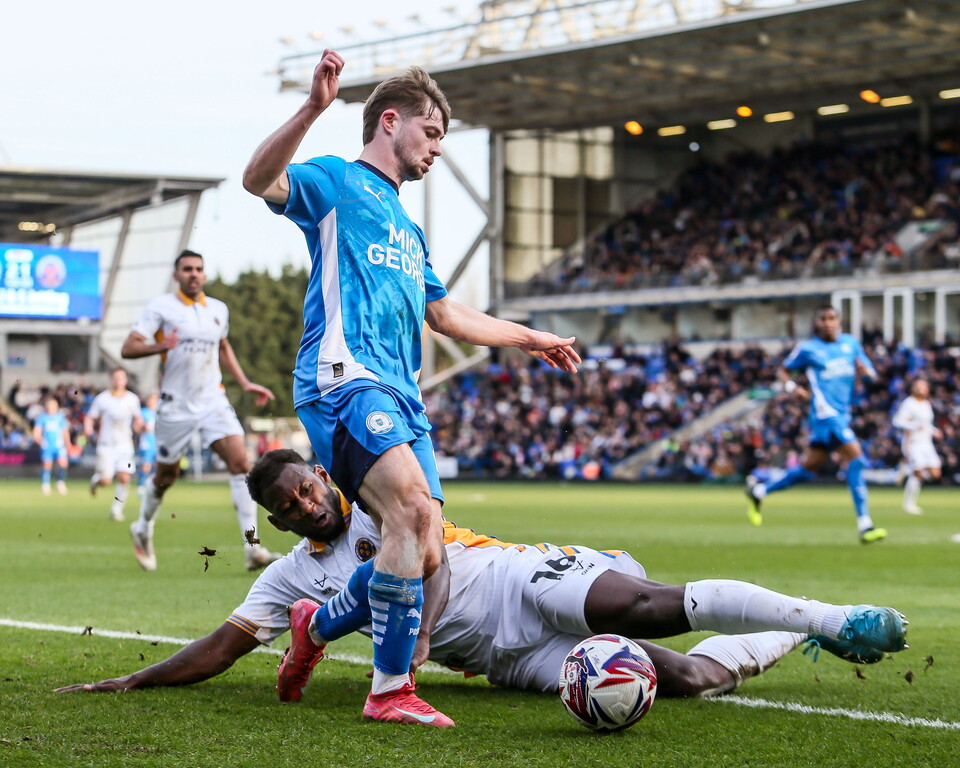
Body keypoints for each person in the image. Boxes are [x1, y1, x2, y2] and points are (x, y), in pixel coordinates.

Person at [242, 51, 580, 725]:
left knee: (427, 550)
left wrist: (530, 337)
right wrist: (313, 108)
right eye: (430, 135)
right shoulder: (337, 182)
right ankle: (389, 691)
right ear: (389, 121)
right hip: (344, 378)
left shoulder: (408, 226)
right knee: (411, 517)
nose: (434, 151)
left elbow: (447, 316)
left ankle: (318, 625)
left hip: (402, 396)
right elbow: (259, 180)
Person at [55, 449, 909, 715]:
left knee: (652, 606)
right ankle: (790, 635)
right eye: (290, 503)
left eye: (310, 484)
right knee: (690, 679)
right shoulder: (287, 577)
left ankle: (835, 616)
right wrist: (136, 676)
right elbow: (222, 645)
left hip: (512, 581)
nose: (309, 500)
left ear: (324, 476)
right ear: (277, 521)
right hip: (505, 663)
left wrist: (418, 638)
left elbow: (425, 549)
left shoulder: (379, 496)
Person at [120, 249, 281, 572]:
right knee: (166, 476)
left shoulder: (218, 309)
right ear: (176, 275)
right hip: (175, 405)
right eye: (187, 269)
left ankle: (252, 548)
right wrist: (160, 346)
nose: (194, 274)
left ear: (204, 275)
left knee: (242, 466)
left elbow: (222, 346)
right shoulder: (161, 308)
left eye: (198, 269)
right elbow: (129, 347)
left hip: (213, 401)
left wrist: (245, 382)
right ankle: (142, 527)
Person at [746, 306, 886, 543]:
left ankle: (759, 491)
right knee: (855, 457)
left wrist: (867, 372)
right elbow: (783, 371)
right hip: (825, 414)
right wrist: (793, 388)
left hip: (843, 413)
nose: (828, 323)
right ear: (817, 323)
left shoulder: (850, 344)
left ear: (839, 321)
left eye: (832, 318)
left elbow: (871, 371)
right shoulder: (809, 349)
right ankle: (865, 525)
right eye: (824, 319)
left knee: (808, 470)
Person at [84, 367, 144, 521]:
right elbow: (90, 417)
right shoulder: (102, 398)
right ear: (112, 379)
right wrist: (89, 429)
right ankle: (97, 480)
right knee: (106, 480)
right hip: (107, 444)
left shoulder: (132, 399)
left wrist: (141, 427)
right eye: (116, 377)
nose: (118, 380)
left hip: (125, 445)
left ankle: (116, 510)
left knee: (124, 478)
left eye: (121, 377)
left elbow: (138, 420)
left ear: (125, 380)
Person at [892, 378, 941, 515]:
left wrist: (935, 431)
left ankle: (906, 469)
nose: (922, 389)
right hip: (913, 443)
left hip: (927, 443)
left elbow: (926, 424)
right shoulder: (908, 403)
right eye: (920, 387)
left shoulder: (926, 404)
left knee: (935, 473)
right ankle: (909, 503)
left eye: (924, 387)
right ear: (914, 388)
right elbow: (897, 421)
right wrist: (913, 425)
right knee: (918, 473)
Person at [33, 395, 71, 496]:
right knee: (47, 464)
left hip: (59, 446)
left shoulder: (60, 418)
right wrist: (40, 441)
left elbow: (65, 431)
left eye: (53, 405)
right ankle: (45, 485)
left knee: (63, 463)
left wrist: (68, 443)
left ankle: (60, 483)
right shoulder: (42, 418)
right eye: (49, 405)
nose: (51, 407)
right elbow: (37, 432)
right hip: (47, 446)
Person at [137, 393, 159, 497]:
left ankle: (152, 487)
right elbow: (137, 427)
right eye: (151, 400)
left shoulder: (158, 413)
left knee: (157, 466)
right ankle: (141, 487)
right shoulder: (143, 412)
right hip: (146, 443)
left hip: (158, 443)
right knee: (146, 466)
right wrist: (143, 427)